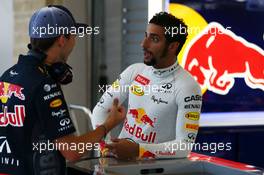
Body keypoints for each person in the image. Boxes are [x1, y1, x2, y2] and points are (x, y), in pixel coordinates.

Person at [0, 5, 125, 175]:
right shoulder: (44, 85)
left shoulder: (7, 77)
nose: (75, 40)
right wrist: (108, 124)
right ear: (61, 39)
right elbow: (72, 151)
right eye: (74, 35)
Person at [92, 12, 202, 160]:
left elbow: (183, 147)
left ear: (173, 46)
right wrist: (105, 146)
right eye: (146, 36)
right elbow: (100, 110)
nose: (143, 44)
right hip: (117, 165)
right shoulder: (134, 71)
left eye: (154, 39)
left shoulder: (188, 87)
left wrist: (139, 150)